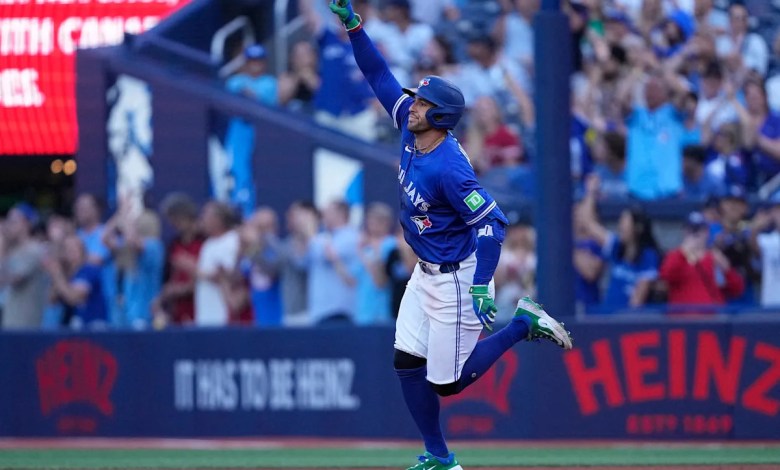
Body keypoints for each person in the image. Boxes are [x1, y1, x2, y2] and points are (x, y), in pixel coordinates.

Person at [328, 2, 573, 469]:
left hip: (458, 276)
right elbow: (378, 73)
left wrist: (482, 283)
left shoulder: (450, 168)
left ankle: (522, 323)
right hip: (425, 271)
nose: (412, 106)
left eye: (422, 104)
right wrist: (354, 26)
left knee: (448, 382)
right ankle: (439, 457)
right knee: (405, 361)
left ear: (440, 117)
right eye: (416, 101)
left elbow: (493, 222)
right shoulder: (407, 126)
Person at [659, 211, 744, 309]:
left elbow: (737, 289)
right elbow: (666, 277)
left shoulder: (715, 257)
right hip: (682, 320)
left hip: (712, 320)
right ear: (684, 232)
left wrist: (727, 269)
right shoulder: (675, 256)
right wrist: (682, 252)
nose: (696, 234)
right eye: (691, 230)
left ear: (707, 232)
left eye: (700, 230)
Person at [0, 203, 48, 329]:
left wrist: (3, 248)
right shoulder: (13, 251)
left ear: (26, 223)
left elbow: (11, 279)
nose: (8, 226)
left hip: (26, 324)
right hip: (10, 322)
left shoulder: (34, 250)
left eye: (13, 221)